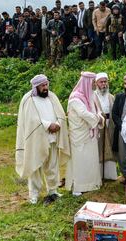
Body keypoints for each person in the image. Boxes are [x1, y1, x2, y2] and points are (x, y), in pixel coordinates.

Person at [16, 74, 70, 205]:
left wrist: (57, 124)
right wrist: (47, 125)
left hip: (52, 137)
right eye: (43, 86)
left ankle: (53, 190)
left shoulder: (52, 97)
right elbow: (31, 120)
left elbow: (60, 113)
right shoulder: (28, 99)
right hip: (36, 139)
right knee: (36, 166)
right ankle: (33, 194)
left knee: (52, 165)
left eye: (47, 84)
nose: (46, 88)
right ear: (36, 86)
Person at [66, 72, 105, 196]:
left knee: (90, 160)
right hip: (79, 134)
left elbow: (97, 109)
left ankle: (91, 183)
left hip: (90, 133)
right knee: (80, 161)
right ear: (87, 83)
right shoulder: (75, 98)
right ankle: (78, 186)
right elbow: (83, 113)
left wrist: (98, 116)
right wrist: (98, 119)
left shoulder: (91, 95)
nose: (95, 85)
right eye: (93, 82)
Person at [93, 73, 117, 181]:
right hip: (98, 125)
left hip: (109, 124)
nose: (104, 84)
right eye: (101, 82)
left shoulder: (111, 97)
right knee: (99, 147)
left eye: (105, 82)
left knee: (109, 147)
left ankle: (109, 175)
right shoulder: (92, 96)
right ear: (96, 83)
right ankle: (98, 175)